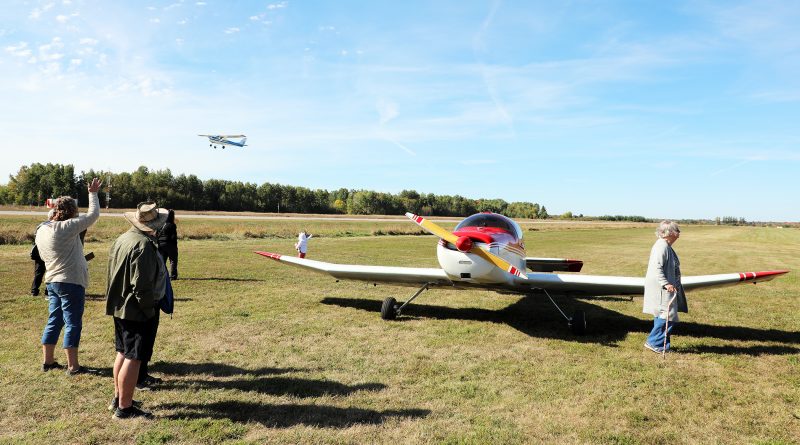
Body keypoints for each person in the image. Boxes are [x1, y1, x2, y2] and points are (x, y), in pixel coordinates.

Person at [106, 202, 169, 419]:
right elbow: (141, 286)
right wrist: (149, 309)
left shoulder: (122, 239)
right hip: (137, 310)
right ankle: (125, 408)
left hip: (121, 306)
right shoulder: (144, 245)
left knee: (123, 352)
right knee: (135, 357)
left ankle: (119, 397)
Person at [36, 179, 102, 374]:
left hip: (52, 281)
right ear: (71, 212)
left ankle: (48, 361)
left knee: (54, 319)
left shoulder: (41, 229)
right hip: (70, 281)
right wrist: (93, 194)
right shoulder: (67, 228)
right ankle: (73, 366)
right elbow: (94, 215)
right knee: (73, 322)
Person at [643, 220, 687, 353]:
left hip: (664, 287)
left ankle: (662, 346)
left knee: (662, 315)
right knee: (668, 315)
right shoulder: (661, 246)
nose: (679, 233)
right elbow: (656, 268)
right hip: (661, 288)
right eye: (677, 230)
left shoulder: (665, 245)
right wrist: (666, 283)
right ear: (670, 233)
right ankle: (653, 342)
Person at [30, 209, 55, 297]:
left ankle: (34, 291)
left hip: (39, 251)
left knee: (38, 272)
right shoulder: (52, 226)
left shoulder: (41, 225)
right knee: (50, 272)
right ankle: (47, 291)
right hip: (48, 252)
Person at [157, 209, 179, 280]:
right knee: (173, 260)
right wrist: (175, 247)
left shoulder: (161, 224)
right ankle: (173, 276)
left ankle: (162, 275)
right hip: (169, 244)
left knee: (162, 261)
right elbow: (173, 237)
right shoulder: (172, 225)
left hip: (161, 244)